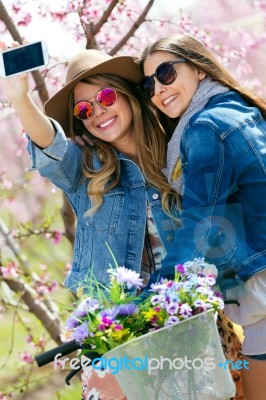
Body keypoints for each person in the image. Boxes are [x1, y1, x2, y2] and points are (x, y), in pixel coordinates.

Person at [0, 42, 183, 400]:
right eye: (84, 108)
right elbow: (50, 146)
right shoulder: (86, 172)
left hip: (183, 327)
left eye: (106, 97)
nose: (98, 112)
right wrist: (20, 97)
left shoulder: (179, 153)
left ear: (129, 94)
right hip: (116, 338)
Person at [135, 33, 266, 400]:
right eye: (148, 84)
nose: (159, 89)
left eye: (165, 73)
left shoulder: (205, 128)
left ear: (196, 67)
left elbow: (200, 222)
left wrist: (152, 299)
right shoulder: (238, 109)